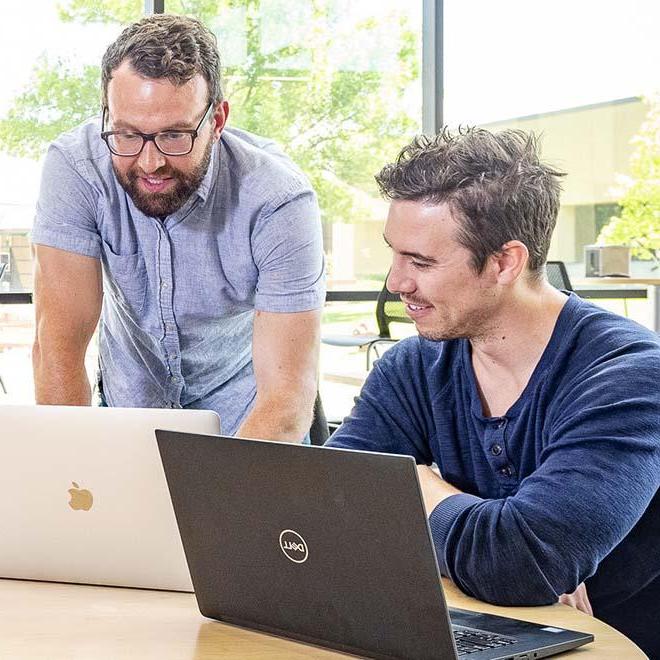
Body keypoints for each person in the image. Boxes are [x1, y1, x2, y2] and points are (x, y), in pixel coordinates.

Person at [326, 128, 660, 657]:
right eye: (395, 255)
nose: (395, 283)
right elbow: (326, 506)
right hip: (472, 630)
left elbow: (517, 564)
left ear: (505, 262)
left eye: (422, 262)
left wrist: (417, 484)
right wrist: (493, 544)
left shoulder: (631, 376)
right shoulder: (412, 367)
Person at [31, 15, 324, 441]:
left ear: (217, 120)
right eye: (128, 134)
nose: (150, 163)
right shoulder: (76, 169)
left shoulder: (278, 199)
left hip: (248, 420)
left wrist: (222, 499)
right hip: (129, 411)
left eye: (174, 136)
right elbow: (57, 349)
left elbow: (286, 397)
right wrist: (74, 471)